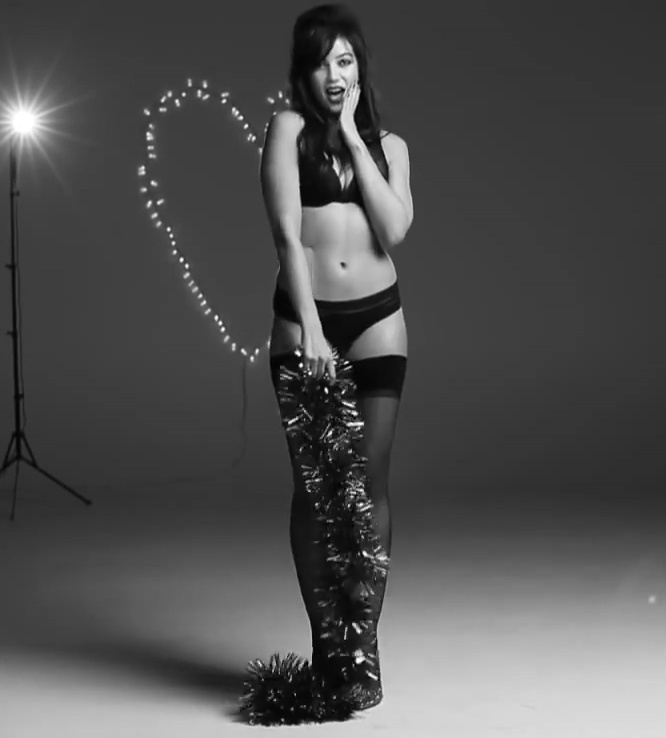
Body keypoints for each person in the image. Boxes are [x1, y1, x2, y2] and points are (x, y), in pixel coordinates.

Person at [260, 3, 413, 711]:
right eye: (322, 61)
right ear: (305, 69)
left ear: (359, 69)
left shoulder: (391, 146)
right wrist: (314, 330)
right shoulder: (287, 130)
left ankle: (363, 646)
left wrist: (354, 135)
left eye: (345, 61)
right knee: (315, 491)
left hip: (380, 319)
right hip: (307, 321)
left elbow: (396, 228)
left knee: (371, 483)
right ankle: (328, 643)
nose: (334, 74)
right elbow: (286, 236)